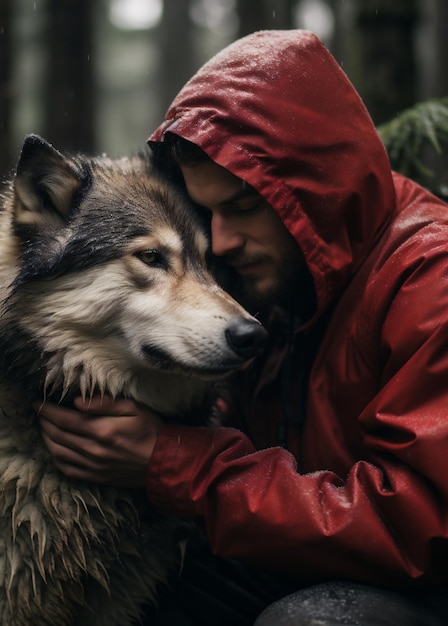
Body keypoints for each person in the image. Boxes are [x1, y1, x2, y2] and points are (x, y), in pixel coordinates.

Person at [38, 30, 448, 625]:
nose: (222, 240)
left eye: (245, 207)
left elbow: (423, 527)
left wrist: (175, 463)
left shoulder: (429, 279)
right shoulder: (278, 279)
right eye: (208, 212)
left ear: (318, 191)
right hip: (305, 559)